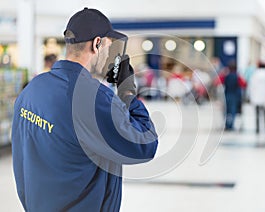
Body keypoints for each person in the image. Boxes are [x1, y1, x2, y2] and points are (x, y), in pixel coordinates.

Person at [12, 7, 158, 212]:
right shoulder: (94, 99)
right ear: (97, 44)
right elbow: (145, 144)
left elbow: (21, 161)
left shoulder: (31, 90)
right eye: (109, 46)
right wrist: (127, 93)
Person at [218, 60, 246, 130]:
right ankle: (231, 125)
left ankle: (227, 125)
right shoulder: (238, 77)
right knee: (233, 111)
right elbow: (244, 84)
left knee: (227, 111)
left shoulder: (226, 76)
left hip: (227, 95)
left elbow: (218, 81)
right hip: (235, 96)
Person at [248, 61, 265, 134]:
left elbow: (251, 86)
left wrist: (250, 95)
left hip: (256, 96)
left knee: (257, 113)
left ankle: (257, 128)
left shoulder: (255, 75)